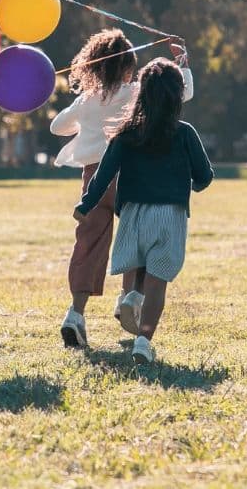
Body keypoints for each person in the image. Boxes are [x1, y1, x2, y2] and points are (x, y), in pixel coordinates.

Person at [52, 29, 193, 349]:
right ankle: (127, 299)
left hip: (94, 179)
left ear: (94, 67)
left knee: (88, 245)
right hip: (131, 177)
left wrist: (84, 113)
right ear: (129, 67)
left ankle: (75, 314)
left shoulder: (87, 100)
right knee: (139, 240)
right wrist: (182, 61)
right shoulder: (134, 93)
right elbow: (182, 93)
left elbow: (56, 127)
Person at [73, 58, 213, 364]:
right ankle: (143, 340)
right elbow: (205, 176)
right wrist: (192, 184)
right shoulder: (185, 133)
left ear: (142, 93)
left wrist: (86, 204)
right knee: (158, 279)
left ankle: (132, 295)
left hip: (133, 214)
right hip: (169, 216)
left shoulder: (126, 133)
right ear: (177, 95)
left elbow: (104, 175)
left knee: (138, 264)